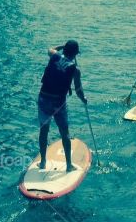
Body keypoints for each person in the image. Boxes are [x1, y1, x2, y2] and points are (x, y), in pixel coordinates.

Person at [37, 40, 87, 172]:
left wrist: (61, 46)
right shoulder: (75, 70)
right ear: (75, 53)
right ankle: (69, 165)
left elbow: (51, 47)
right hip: (58, 103)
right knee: (64, 133)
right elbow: (78, 91)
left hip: (44, 98)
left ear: (64, 50)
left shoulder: (54, 56)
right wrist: (84, 99)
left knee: (44, 130)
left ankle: (42, 162)